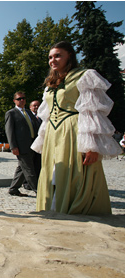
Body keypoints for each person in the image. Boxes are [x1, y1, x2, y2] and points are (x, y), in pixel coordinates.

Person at [31, 41, 122, 215]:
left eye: (58, 55)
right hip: (53, 133)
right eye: (50, 57)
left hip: (74, 131)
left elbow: (92, 112)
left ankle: (75, 213)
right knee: (54, 174)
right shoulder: (51, 83)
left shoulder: (84, 76)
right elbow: (47, 114)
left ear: (69, 56)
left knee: (77, 174)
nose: (53, 60)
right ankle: (53, 210)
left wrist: (92, 147)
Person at [5, 91, 41, 196]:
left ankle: (13, 188)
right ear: (14, 101)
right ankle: (38, 191)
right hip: (21, 147)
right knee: (30, 170)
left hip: (33, 145)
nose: (22, 100)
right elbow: (9, 131)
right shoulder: (11, 113)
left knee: (22, 168)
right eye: (19, 99)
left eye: (23, 98)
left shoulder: (29, 113)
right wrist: (13, 146)